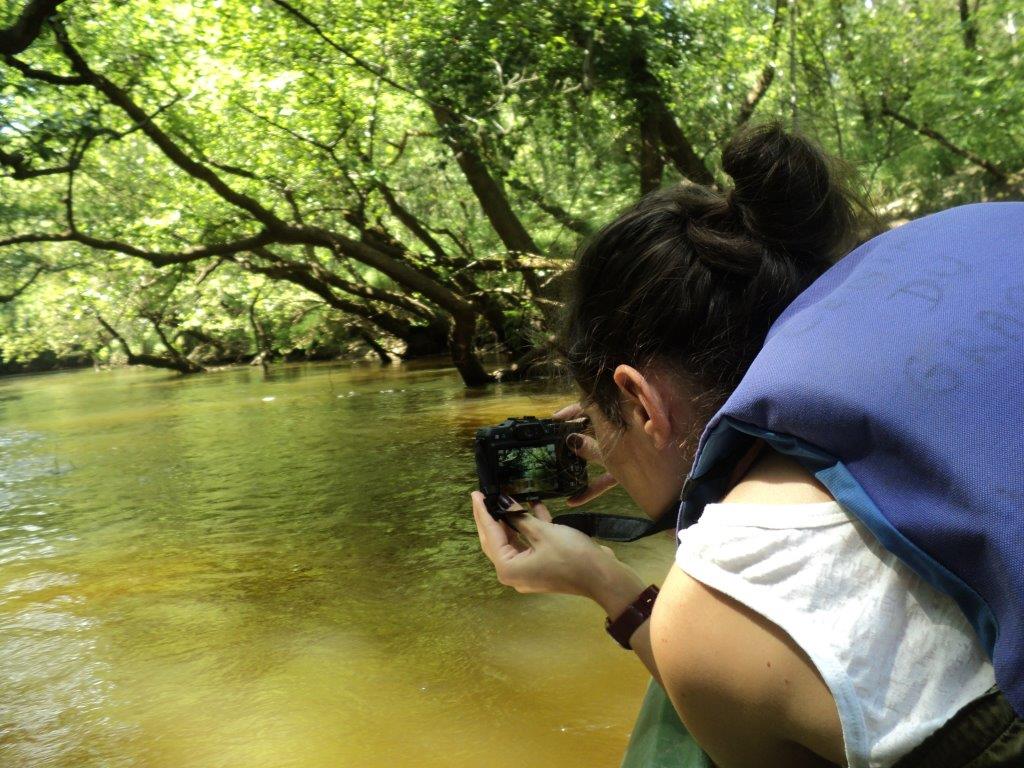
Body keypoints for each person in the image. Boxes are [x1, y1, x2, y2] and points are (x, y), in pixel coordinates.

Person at [470, 122, 1023, 768]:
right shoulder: (949, 243)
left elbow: (733, 673)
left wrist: (606, 584)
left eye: (602, 417)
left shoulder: (712, 609)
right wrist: (649, 447)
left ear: (643, 402)